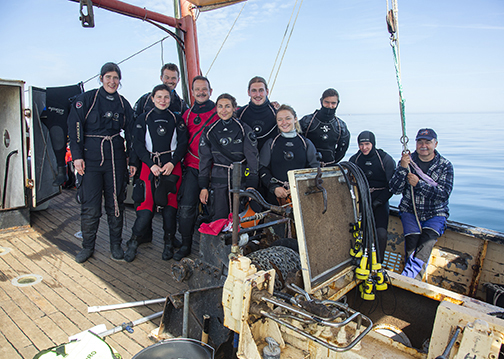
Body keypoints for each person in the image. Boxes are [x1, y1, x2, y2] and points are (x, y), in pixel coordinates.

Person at [68, 62, 134, 263]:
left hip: (115, 158)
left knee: (116, 203)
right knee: (90, 205)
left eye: (116, 78)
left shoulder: (123, 104)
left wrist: (131, 157)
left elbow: (131, 132)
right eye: (108, 77)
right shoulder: (86, 99)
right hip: (90, 157)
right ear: (101, 78)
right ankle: (88, 247)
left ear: (119, 81)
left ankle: (116, 245)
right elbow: (75, 125)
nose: (112, 81)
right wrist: (77, 156)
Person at [124, 84, 188, 262]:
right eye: (159, 97)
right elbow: (137, 144)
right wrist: (150, 164)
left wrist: (172, 163)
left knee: (170, 208)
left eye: (166, 97)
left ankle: (168, 242)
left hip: (171, 167)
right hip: (149, 167)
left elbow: (183, 144)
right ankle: (134, 242)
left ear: (171, 99)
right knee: (145, 208)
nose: (163, 100)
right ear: (152, 98)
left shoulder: (177, 119)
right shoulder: (144, 118)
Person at [389, 128, 454, 280]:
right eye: (420, 142)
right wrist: (403, 168)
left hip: (435, 214)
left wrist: (419, 184)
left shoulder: (445, 165)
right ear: (416, 144)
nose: (423, 145)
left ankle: (408, 281)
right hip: (410, 211)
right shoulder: (408, 162)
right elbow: (394, 189)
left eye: (428, 142)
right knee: (412, 245)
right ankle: (410, 281)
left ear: (435, 144)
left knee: (425, 245)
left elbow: (443, 194)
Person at [175, 76, 218, 261]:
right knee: (186, 208)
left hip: (217, 168)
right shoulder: (187, 115)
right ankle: (185, 244)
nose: (201, 92)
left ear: (211, 91)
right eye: (197, 90)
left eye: (204, 89)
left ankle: (215, 248)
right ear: (192, 92)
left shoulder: (221, 110)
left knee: (218, 209)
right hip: (193, 166)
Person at [199, 93, 259, 221]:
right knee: (219, 217)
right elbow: (204, 160)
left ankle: (240, 241)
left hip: (239, 180)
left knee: (240, 217)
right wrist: (203, 186)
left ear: (234, 108)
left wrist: (251, 184)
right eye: (220, 106)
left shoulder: (243, 129)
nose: (224, 110)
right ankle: (220, 240)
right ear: (216, 109)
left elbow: (252, 158)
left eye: (227, 106)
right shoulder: (209, 131)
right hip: (218, 181)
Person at [349, 131, 395, 263]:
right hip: (362, 201)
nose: (364, 148)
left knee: (381, 234)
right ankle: (360, 259)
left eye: (367, 144)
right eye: (361, 144)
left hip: (380, 200)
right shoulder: (355, 160)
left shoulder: (385, 159)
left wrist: (379, 201)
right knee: (359, 233)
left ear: (373, 143)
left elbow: (392, 186)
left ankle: (378, 262)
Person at [259, 104, 319, 205]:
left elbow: (315, 169)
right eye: (280, 119)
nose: (284, 123)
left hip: (301, 195)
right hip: (275, 197)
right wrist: (274, 187)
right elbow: (262, 168)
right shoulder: (271, 143)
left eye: (288, 118)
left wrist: (299, 186)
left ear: (295, 119)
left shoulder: (306, 143)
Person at [299, 88, 350, 166]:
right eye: (327, 102)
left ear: (337, 103)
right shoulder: (307, 121)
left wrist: (332, 162)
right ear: (321, 101)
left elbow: (343, 149)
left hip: (329, 166)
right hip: (307, 165)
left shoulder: (340, 126)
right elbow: (296, 142)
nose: (329, 106)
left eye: (333, 103)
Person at [236, 76, 278, 151]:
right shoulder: (240, 114)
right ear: (248, 92)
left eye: (261, 90)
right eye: (254, 91)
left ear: (267, 92)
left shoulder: (276, 113)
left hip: (270, 158)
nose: (258, 95)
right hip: (248, 159)